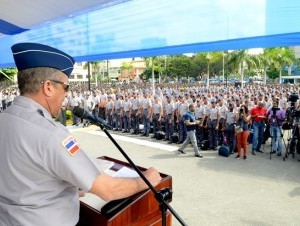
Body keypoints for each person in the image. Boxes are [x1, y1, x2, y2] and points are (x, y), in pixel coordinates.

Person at [0, 43, 161, 226]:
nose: (66, 94)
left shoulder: (4, 119)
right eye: (66, 87)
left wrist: (60, 190)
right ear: (48, 88)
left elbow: (24, 178)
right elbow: (108, 190)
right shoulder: (51, 134)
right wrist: (146, 181)